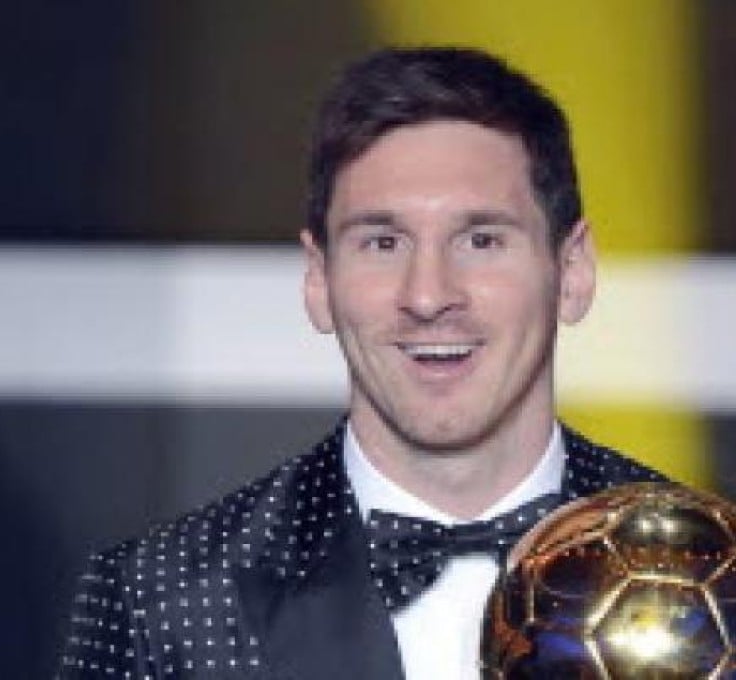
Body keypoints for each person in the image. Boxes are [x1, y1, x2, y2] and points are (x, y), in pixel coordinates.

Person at [58, 46, 664, 679]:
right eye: (383, 242)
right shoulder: (158, 601)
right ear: (319, 279)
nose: (428, 295)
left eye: (481, 240)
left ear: (571, 272)